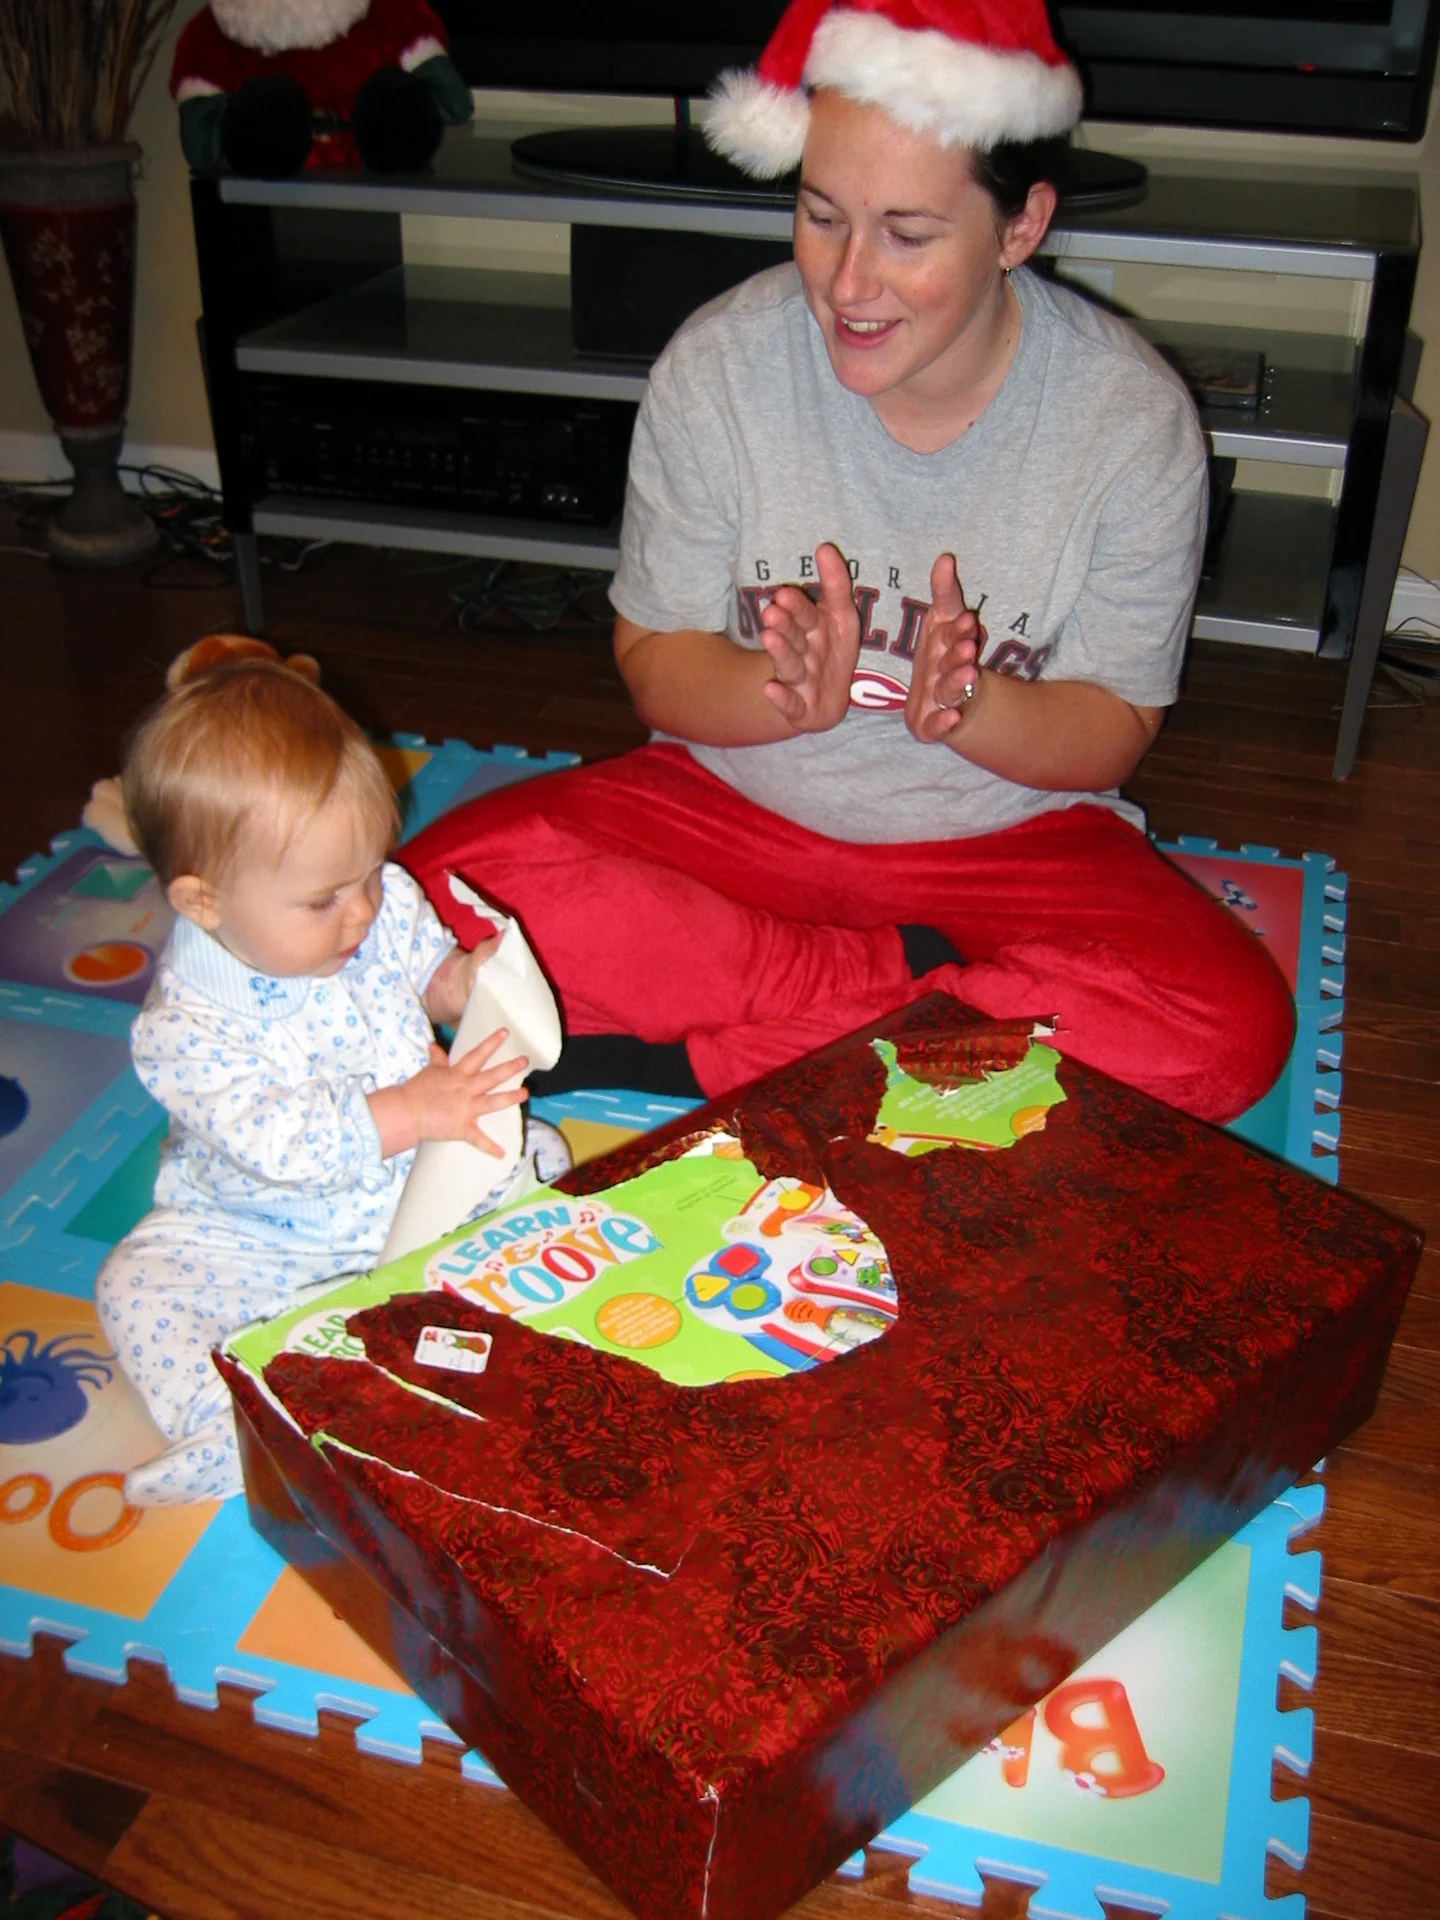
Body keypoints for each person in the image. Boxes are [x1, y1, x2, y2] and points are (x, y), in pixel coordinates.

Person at [402, 0, 1293, 1126]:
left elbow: (1115, 724)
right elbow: (655, 657)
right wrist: (775, 695)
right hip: (728, 809)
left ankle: (698, 1053)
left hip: (1007, 846)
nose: (848, 282)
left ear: (1020, 228)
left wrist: (975, 708)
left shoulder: (1131, 422)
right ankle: (889, 1009)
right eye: (821, 217)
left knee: (1227, 1035)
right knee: (408, 912)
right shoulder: (719, 366)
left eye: (908, 236)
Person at [96, 655, 552, 1506]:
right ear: (204, 903)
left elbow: (424, 972)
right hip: (257, 1233)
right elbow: (288, 1148)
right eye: (324, 900)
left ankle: (428, 1315)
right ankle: (244, 1427)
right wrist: (411, 1108)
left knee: (541, 1151)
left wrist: (465, 982)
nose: (364, 909)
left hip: (412, 1185)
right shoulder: (184, 1029)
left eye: (372, 872)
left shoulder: (373, 901)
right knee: (136, 1285)